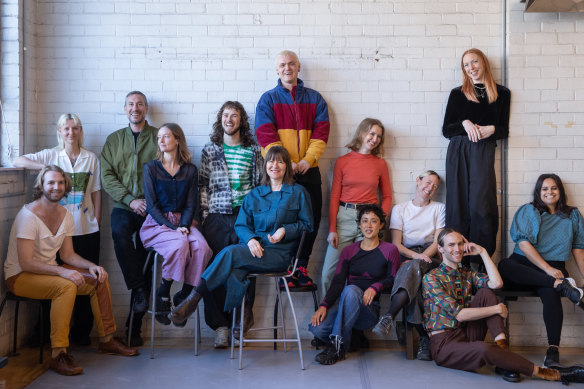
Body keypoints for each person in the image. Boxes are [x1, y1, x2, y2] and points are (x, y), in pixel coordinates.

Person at [4, 166, 137, 376]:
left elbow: (67, 255)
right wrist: (61, 273)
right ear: (41, 186)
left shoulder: (65, 214)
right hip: (20, 276)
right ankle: (59, 354)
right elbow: (26, 262)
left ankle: (107, 340)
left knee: (98, 279)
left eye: (60, 183)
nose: (56, 187)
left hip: (49, 271)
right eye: (50, 183)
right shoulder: (28, 215)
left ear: (66, 186)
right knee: (66, 287)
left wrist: (91, 266)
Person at [168, 146, 313, 326]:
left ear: (287, 167)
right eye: (271, 161)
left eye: (280, 161)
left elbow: (308, 225)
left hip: (279, 254)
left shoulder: (298, 193)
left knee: (230, 253)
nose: (275, 165)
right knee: (235, 270)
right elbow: (241, 225)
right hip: (255, 250)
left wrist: (285, 230)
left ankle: (193, 299)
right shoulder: (255, 194)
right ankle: (242, 318)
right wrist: (251, 239)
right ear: (265, 165)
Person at [422, 228, 584, 383]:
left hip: (466, 332)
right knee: (483, 349)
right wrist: (496, 309)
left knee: (486, 293)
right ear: (440, 249)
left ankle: (504, 355)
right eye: (451, 245)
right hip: (444, 344)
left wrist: (483, 252)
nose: (457, 249)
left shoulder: (466, 273)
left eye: (460, 243)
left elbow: (496, 283)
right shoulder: (431, 278)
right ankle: (549, 373)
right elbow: (459, 314)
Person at [13, 113, 101, 346]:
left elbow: (96, 192)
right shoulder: (51, 154)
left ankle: (82, 335)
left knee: (88, 280)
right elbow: (17, 161)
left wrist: (97, 221)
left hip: (85, 229)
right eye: (66, 128)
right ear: (60, 132)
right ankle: (48, 336)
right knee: (57, 281)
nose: (71, 132)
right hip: (56, 230)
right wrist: (45, 167)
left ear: (80, 131)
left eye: (75, 128)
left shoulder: (90, 158)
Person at [255, 50, 330, 287]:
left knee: (312, 219)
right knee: (282, 220)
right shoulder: (268, 100)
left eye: (291, 64)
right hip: (280, 173)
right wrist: (288, 164)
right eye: (282, 65)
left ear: (298, 67)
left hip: (310, 170)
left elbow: (321, 133)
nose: (287, 68)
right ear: (277, 70)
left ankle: (301, 269)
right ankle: (284, 265)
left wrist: (307, 160)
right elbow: (265, 134)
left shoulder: (315, 99)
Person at [498, 173, 584, 367]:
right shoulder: (528, 210)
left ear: (560, 191)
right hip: (525, 266)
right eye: (544, 188)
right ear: (538, 192)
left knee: (550, 293)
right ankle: (561, 285)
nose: (549, 192)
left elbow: (579, 248)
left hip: (556, 268)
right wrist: (547, 270)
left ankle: (553, 351)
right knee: (504, 265)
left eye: (554, 188)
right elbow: (524, 244)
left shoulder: (573, 215)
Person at [199, 101, 263, 348]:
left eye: (234, 115)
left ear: (241, 121)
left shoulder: (253, 150)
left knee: (245, 268)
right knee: (215, 269)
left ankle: (240, 323)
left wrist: (255, 216)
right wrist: (205, 214)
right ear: (220, 120)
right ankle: (220, 328)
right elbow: (202, 183)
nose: (229, 119)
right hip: (216, 216)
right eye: (225, 115)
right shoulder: (210, 149)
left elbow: (259, 185)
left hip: (244, 217)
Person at [442, 48, 511, 266]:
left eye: (474, 62)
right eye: (466, 64)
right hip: (458, 149)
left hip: (484, 149)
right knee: (458, 202)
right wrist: (464, 122)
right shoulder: (457, 93)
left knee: (481, 204)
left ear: (484, 63)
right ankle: (457, 261)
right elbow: (446, 130)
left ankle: (481, 261)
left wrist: (492, 129)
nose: (471, 68)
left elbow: (503, 130)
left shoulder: (502, 93)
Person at [139, 123, 212, 326]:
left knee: (203, 248)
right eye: (159, 138)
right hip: (158, 223)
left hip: (185, 222)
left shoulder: (189, 170)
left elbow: (191, 203)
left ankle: (185, 296)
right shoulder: (151, 168)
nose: (161, 140)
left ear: (177, 140)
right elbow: (151, 206)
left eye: (166, 136)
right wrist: (173, 228)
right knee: (180, 244)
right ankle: (163, 291)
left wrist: (185, 225)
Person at [101, 91, 158, 346]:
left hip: (152, 209)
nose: (135, 108)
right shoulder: (113, 140)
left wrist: (149, 203)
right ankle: (138, 289)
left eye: (140, 104)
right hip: (124, 206)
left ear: (146, 109)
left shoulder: (159, 136)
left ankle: (133, 331)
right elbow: (107, 176)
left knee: (147, 258)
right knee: (119, 233)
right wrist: (130, 200)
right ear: (125, 109)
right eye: (131, 104)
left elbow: (168, 169)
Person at [309, 205, 400, 365]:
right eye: (365, 221)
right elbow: (337, 282)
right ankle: (353, 337)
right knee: (317, 328)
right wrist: (323, 305)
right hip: (347, 304)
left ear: (380, 225)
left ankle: (337, 348)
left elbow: (393, 279)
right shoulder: (348, 251)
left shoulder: (389, 250)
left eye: (373, 221)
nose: (369, 225)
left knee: (350, 290)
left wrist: (375, 286)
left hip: (369, 310)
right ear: (359, 224)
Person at [373, 170, 444, 361]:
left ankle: (389, 315)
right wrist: (414, 257)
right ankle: (424, 339)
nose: (429, 188)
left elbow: (438, 242)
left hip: (431, 257)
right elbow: (396, 243)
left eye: (434, 186)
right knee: (417, 287)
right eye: (427, 182)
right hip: (407, 254)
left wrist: (421, 258)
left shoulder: (439, 208)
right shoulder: (400, 209)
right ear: (418, 181)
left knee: (412, 270)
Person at [320, 118, 392, 294]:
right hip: (344, 218)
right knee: (328, 274)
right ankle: (326, 316)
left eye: (379, 136)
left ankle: (356, 314)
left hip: (369, 219)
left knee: (363, 274)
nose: (375, 139)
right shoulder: (342, 161)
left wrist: (378, 220)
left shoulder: (380, 164)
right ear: (362, 133)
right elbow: (334, 197)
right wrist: (332, 229)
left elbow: (388, 196)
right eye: (372, 133)